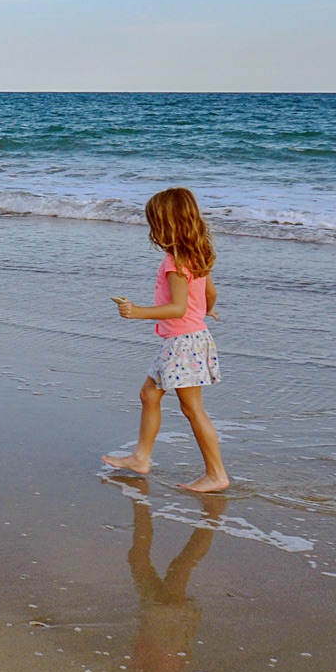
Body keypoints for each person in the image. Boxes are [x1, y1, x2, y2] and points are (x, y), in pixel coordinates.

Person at [102, 187, 229, 492]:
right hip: (186, 339)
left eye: (154, 224)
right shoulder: (197, 253)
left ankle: (216, 475)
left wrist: (137, 312)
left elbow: (178, 308)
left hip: (184, 342)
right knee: (149, 395)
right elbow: (210, 293)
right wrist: (205, 310)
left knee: (192, 409)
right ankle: (141, 457)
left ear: (166, 225)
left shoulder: (175, 261)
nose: (153, 231)